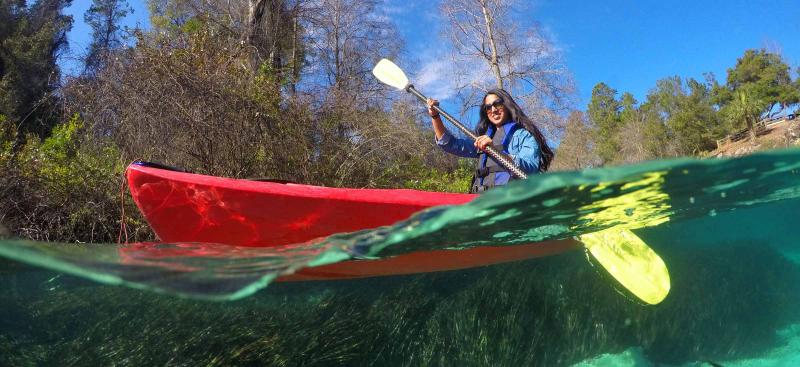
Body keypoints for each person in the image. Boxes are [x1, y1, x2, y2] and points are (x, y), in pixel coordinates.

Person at [427, 88, 553, 193]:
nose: (493, 110)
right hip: (480, 203)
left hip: (510, 203)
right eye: (488, 107)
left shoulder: (523, 135)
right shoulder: (482, 138)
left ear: (507, 105)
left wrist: (496, 150)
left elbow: (530, 167)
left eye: (497, 104)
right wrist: (435, 116)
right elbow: (450, 144)